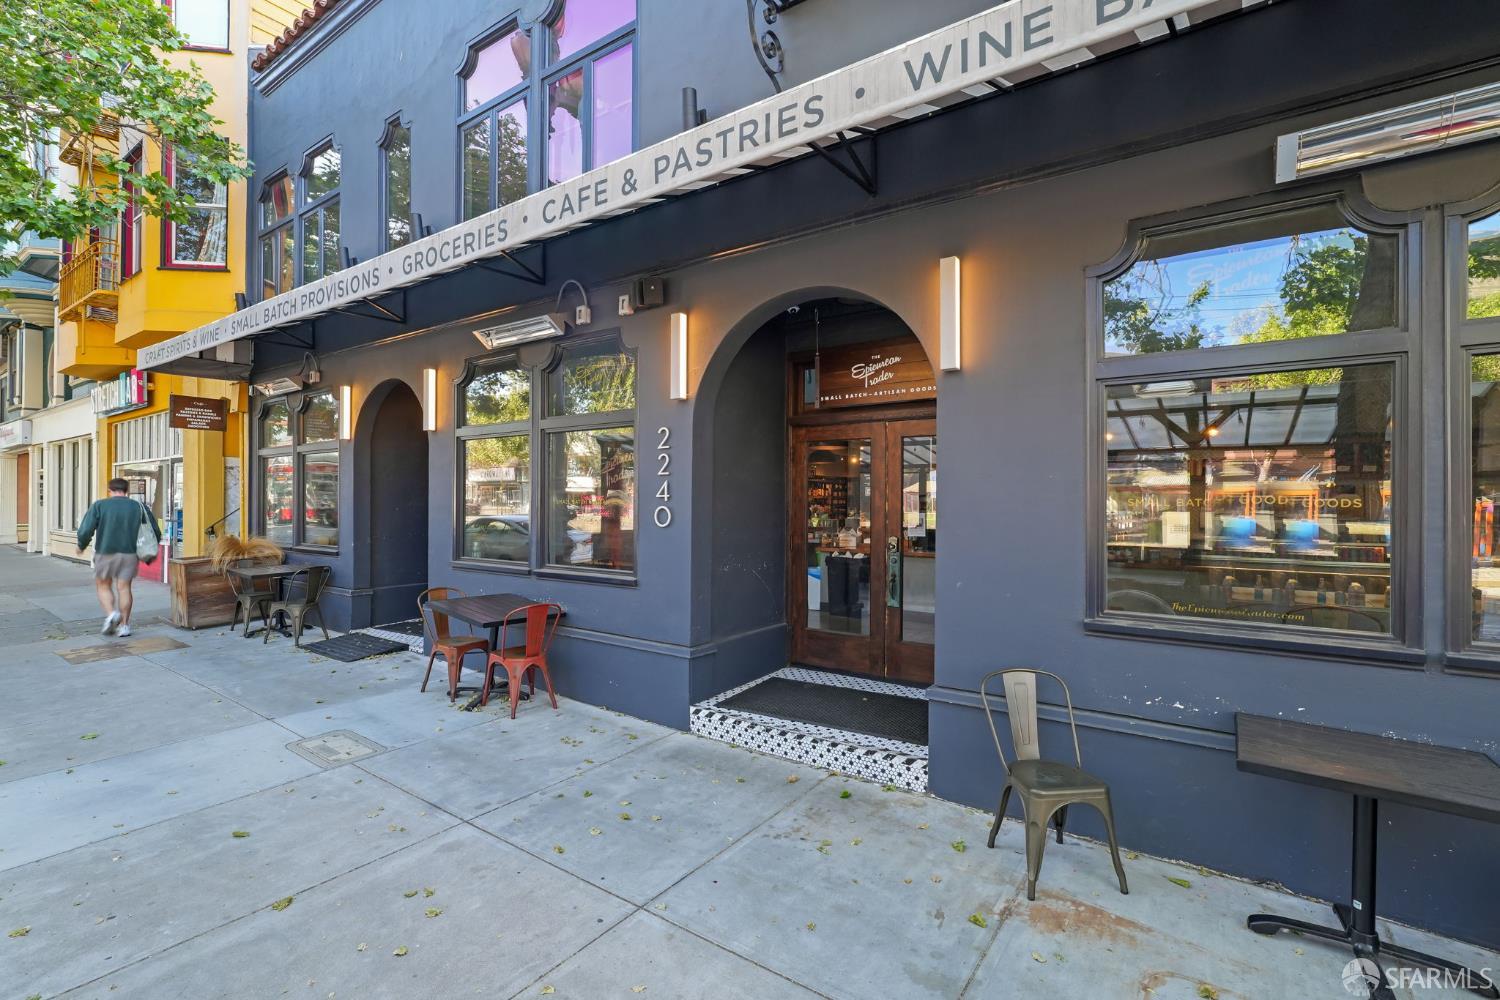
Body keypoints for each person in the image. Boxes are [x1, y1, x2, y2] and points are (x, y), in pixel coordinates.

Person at [77, 478, 161, 638]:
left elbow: (86, 530)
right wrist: (150, 552)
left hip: (105, 552)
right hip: (129, 554)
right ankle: (124, 626)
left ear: (110, 490)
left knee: (103, 585)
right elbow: (154, 530)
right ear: (126, 491)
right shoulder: (138, 506)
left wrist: (81, 545)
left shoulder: (100, 505)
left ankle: (111, 614)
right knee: (124, 588)